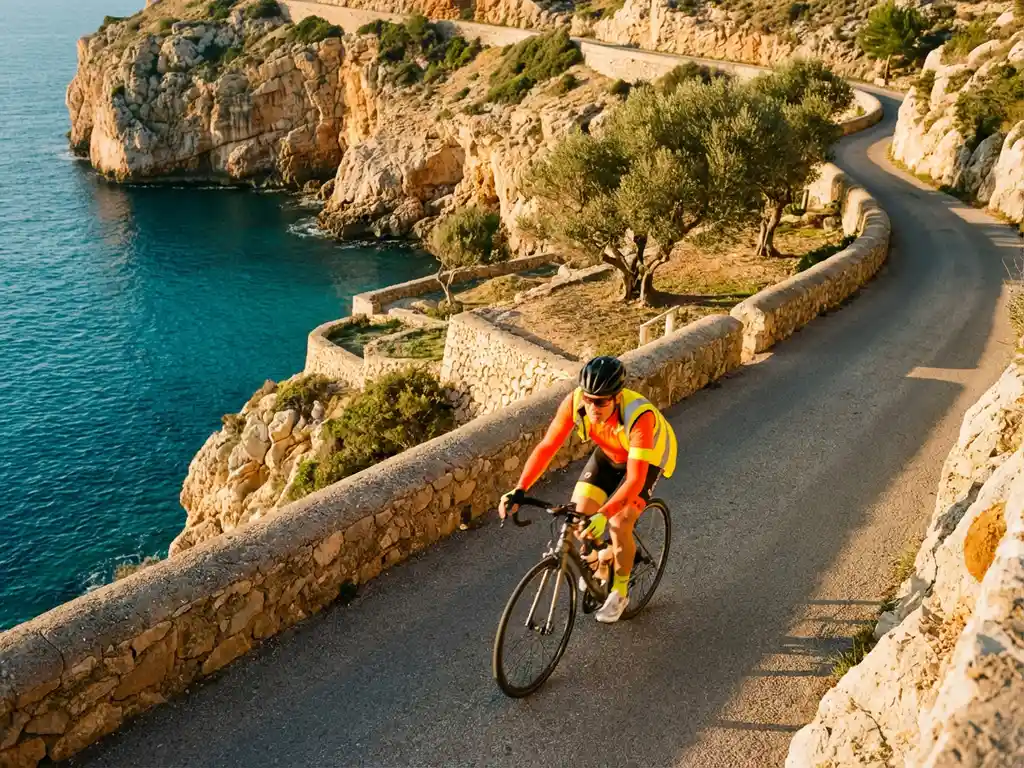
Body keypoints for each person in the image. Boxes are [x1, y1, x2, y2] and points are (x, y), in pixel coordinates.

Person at [499, 356, 677, 623]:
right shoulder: (574, 403)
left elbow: (634, 481)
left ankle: (619, 592)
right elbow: (547, 447)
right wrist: (520, 488)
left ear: (616, 398)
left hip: (647, 459)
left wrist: (604, 515)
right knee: (579, 514)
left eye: (601, 401)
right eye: (588, 398)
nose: (593, 406)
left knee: (619, 523)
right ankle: (601, 561)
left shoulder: (639, 418)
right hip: (609, 454)